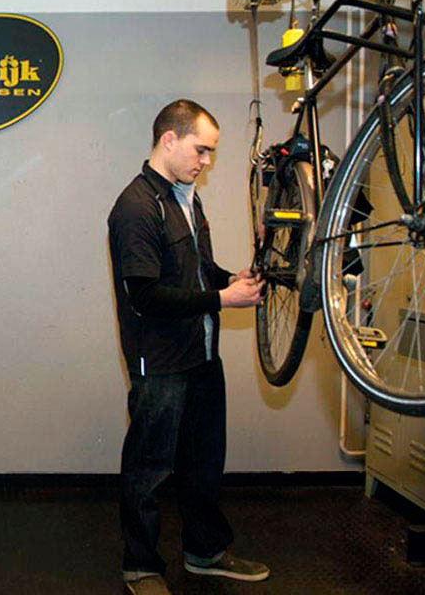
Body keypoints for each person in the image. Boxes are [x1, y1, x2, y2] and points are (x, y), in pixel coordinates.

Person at [107, 100, 268, 595]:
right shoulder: (137, 207)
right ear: (169, 140)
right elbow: (146, 296)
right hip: (161, 363)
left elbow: (198, 271)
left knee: (203, 463)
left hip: (201, 356)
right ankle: (140, 568)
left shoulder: (187, 199)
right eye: (201, 150)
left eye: (211, 152)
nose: (206, 161)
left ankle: (204, 552)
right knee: (149, 470)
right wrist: (222, 299)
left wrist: (230, 279)